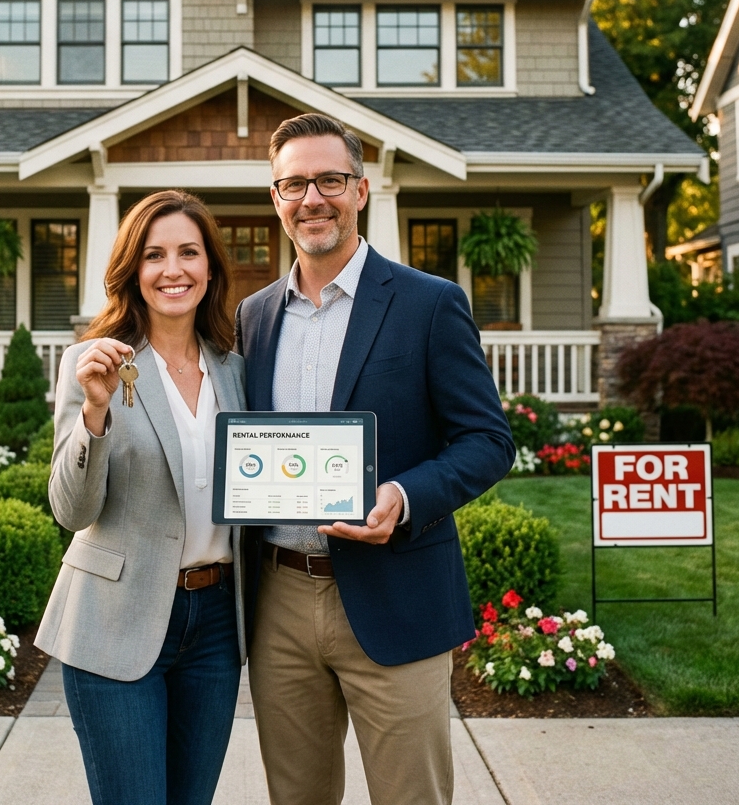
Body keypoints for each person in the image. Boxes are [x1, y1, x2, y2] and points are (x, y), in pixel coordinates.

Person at [235, 114, 515, 805]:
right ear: (276, 198)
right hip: (279, 597)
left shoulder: (429, 304)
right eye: (294, 183)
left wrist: (404, 494)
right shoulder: (253, 316)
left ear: (361, 190)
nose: (312, 198)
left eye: (329, 179)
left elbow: (487, 441)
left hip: (397, 597)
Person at [36, 189, 248, 805]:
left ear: (210, 266)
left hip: (214, 627)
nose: (173, 269)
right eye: (154, 255)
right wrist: (95, 412)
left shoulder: (237, 369)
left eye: (188, 252)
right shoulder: (92, 363)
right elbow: (71, 511)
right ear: (133, 270)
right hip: (114, 617)